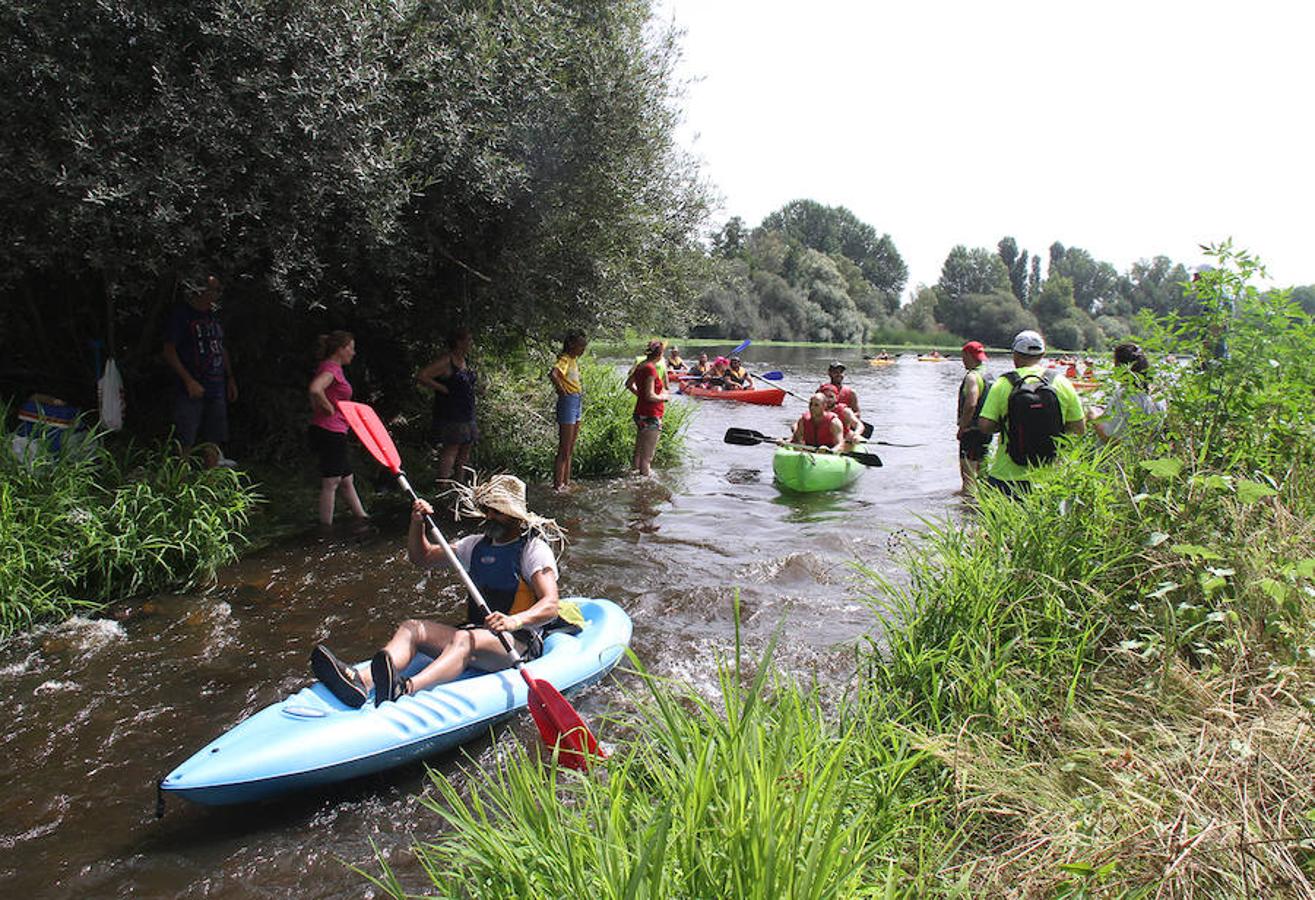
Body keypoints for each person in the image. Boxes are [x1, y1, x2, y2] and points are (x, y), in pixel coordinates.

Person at [310, 475, 564, 708]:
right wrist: (417, 524)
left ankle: (406, 689)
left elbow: (551, 604)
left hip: (518, 641)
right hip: (476, 633)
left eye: (499, 513)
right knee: (412, 627)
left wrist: (513, 620)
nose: (490, 516)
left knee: (465, 639)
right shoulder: (474, 546)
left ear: (517, 517)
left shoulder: (533, 550)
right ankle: (362, 682)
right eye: (488, 510)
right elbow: (422, 557)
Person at [976, 330, 1085, 496]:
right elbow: (1079, 428)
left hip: (1006, 477)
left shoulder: (1003, 383)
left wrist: (1007, 423)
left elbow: (985, 426)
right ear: (1043, 354)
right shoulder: (1061, 382)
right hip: (1050, 478)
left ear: (1015, 355)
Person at [162, 274, 237, 464]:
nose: (217, 294)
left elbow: (221, 346)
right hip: (191, 385)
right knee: (185, 437)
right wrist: (188, 380)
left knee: (214, 437)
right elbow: (169, 351)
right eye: (214, 290)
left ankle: (209, 483)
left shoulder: (215, 316)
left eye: (219, 290)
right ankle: (179, 483)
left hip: (216, 384)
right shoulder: (182, 315)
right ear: (201, 290)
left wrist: (230, 378)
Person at [307, 331, 368, 525]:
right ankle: (326, 529)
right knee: (331, 482)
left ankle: (363, 517)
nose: (353, 352)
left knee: (346, 480)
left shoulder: (333, 368)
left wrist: (321, 406)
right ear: (340, 349)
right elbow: (315, 389)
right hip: (330, 432)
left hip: (335, 431)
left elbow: (316, 392)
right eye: (351, 348)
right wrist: (326, 407)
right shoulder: (331, 368)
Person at [417, 327, 477, 481]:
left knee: (465, 448)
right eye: (468, 340)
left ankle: (460, 483)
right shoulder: (446, 361)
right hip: (451, 412)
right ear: (458, 342)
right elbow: (423, 376)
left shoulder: (464, 361)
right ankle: (443, 484)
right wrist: (443, 388)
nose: (470, 343)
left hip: (467, 411)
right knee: (451, 448)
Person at [1089, 342, 1166, 442]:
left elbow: (1110, 439)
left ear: (1121, 368)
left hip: (1120, 456)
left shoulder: (1124, 396)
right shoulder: (1158, 395)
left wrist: (1093, 417)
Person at [549, 331, 588, 492]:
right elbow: (554, 374)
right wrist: (561, 391)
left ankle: (566, 482)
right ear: (571, 344)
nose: (583, 349)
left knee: (570, 448)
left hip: (576, 400)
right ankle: (559, 486)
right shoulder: (565, 359)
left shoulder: (572, 360)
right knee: (564, 448)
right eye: (581, 346)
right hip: (569, 401)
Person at [955, 340, 993, 493]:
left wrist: (962, 428)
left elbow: (971, 403)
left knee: (968, 479)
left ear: (967, 355)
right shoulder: (989, 375)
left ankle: (966, 510)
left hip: (971, 432)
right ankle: (984, 508)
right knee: (983, 474)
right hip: (987, 430)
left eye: (963, 356)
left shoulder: (972, 377)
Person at [631, 339, 668, 475]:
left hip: (639, 413)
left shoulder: (641, 365)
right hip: (651, 415)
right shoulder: (651, 369)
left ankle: (634, 479)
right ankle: (644, 491)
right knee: (647, 458)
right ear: (660, 354)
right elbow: (650, 396)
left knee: (639, 454)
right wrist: (664, 397)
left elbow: (628, 384)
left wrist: (640, 395)